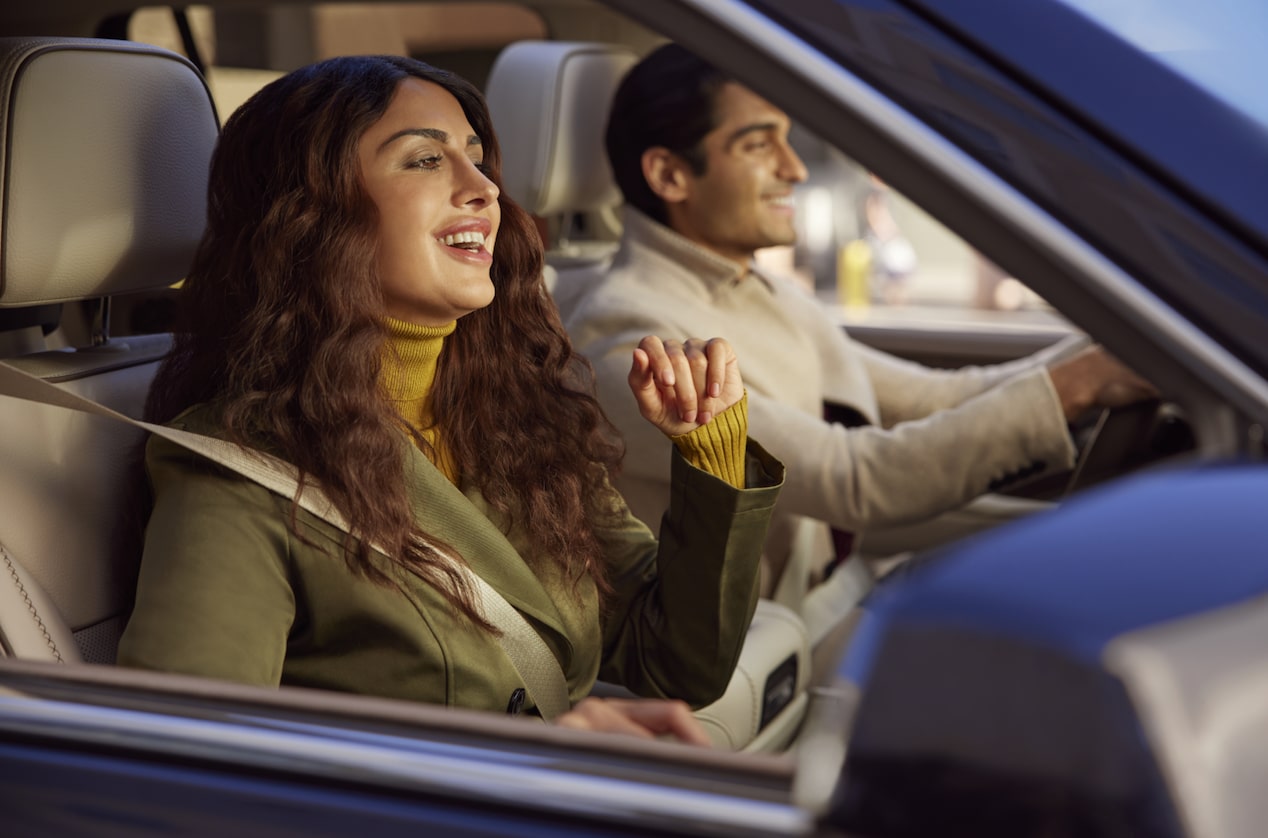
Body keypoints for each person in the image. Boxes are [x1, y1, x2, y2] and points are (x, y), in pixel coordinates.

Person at [116, 54, 784, 744]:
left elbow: (674, 659)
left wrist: (712, 450)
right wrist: (528, 761)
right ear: (309, 216)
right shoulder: (238, 474)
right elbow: (183, 766)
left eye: (477, 158)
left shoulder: (517, 415)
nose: (484, 188)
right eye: (425, 161)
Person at [560, 44, 1156, 611]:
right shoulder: (634, 340)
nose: (794, 168)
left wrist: (1100, 356)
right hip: (760, 645)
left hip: (832, 596)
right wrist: (1078, 385)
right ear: (669, 174)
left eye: (786, 140)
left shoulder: (755, 289)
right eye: (759, 144)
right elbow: (853, 477)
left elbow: (931, 397)